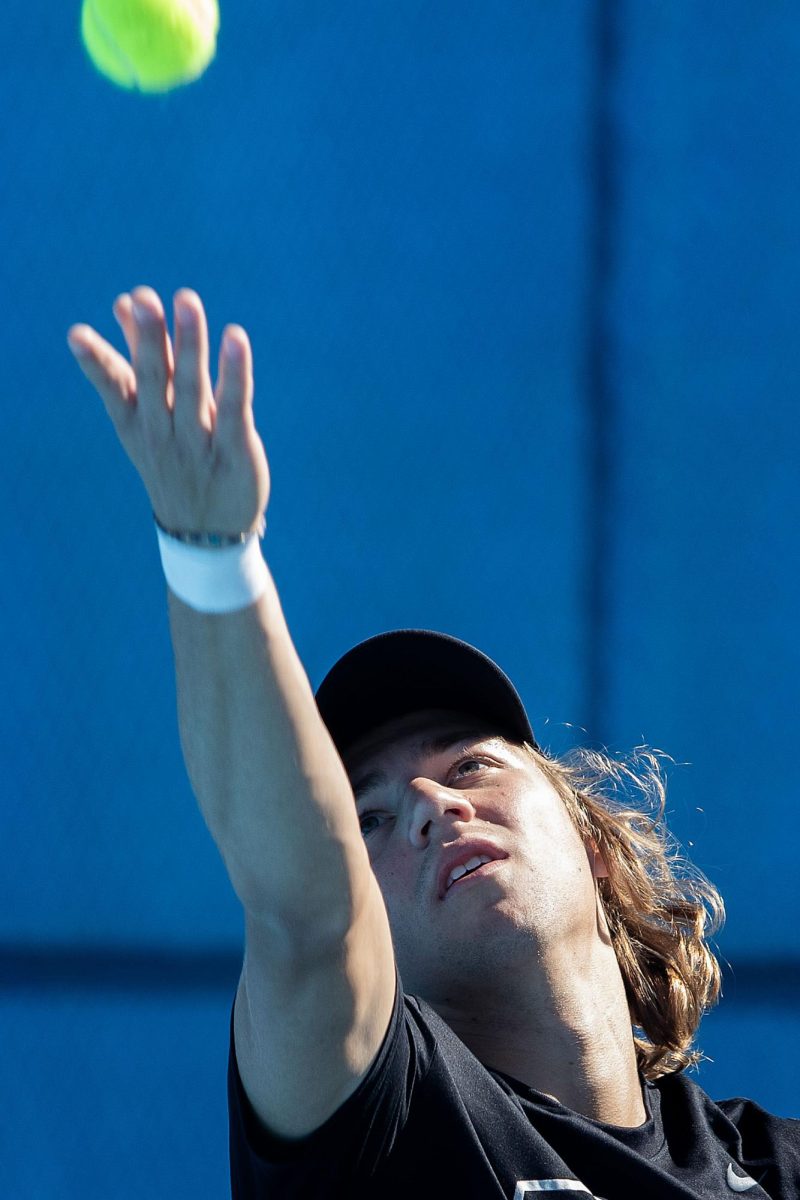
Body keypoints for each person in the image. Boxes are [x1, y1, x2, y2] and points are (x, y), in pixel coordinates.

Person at [68, 286, 799, 1198]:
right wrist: (213, 556)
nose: (428, 805)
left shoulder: (776, 1162)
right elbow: (303, 913)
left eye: (472, 764)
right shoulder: (383, 1126)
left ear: (599, 848)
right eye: (366, 816)